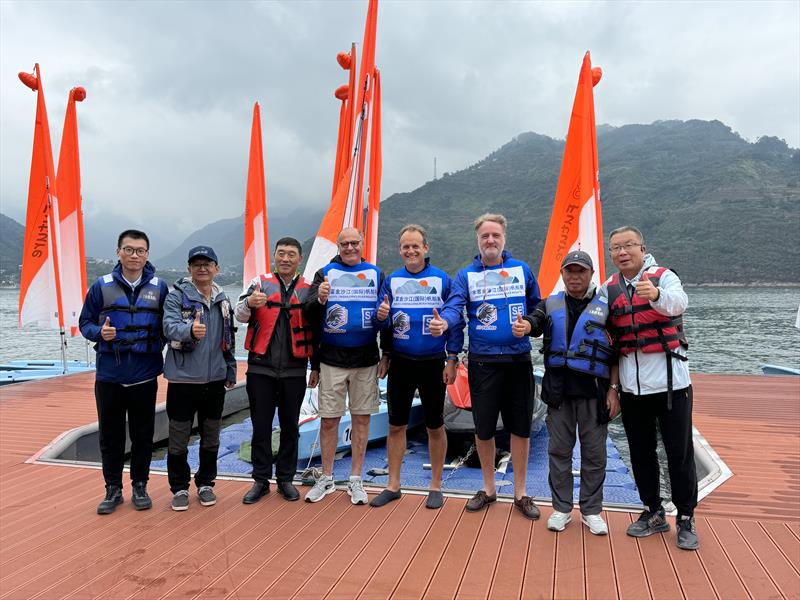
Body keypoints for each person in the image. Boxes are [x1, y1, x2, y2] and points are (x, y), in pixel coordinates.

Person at [429, 214, 542, 519]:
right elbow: (454, 309)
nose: (490, 240)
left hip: (518, 360)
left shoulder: (522, 270)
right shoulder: (466, 275)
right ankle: (489, 489)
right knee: (484, 428)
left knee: (521, 428)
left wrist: (531, 325)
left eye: (495, 235)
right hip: (483, 362)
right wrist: (444, 324)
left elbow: (538, 307)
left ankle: (520, 493)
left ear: (504, 238)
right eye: (484, 236)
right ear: (477, 240)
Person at [599, 225, 698, 551]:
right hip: (632, 388)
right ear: (611, 254)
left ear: (642, 248)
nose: (622, 252)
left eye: (628, 246)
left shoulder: (663, 277)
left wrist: (655, 296)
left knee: (678, 453)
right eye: (616, 248)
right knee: (641, 454)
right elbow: (596, 323)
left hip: (671, 384)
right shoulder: (608, 288)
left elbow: (679, 303)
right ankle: (653, 510)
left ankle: (685, 516)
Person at [513, 250, 618, 535]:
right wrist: (526, 325)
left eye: (581, 271)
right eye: (570, 271)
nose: (575, 276)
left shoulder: (607, 307)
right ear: (562, 274)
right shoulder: (549, 304)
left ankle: (592, 510)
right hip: (558, 391)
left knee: (594, 454)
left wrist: (614, 390)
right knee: (558, 451)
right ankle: (561, 509)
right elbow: (534, 321)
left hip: (594, 391)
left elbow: (617, 353)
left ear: (591, 274)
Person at [369, 225, 464, 510]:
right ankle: (393, 485)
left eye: (415, 246)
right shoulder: (392, 280)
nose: (410, 251)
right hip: (401, 362)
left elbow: (456, 321)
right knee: (396, 425)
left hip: (433, 362)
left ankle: (435, 485)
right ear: (400, 250)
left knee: (435, 425)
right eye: (405, 247)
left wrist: (452, 358)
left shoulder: (442, 280)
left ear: (426, 248)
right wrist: (382, 323)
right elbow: (382, 323)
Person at [79, 229, 169, 515]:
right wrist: (99, 333)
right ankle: (113, 488)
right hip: (110, 376)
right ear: (118, 252)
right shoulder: (100, 286)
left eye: (140, 250)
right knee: (111, 435)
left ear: (147, 254)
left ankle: (140, 485)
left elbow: (169, 325)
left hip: (144, 374)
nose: (134, 255)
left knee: (144, 435)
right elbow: (85, 323)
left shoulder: (160, 287)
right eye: (129, 249)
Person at [302, 227, 390, 505]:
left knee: (362, 418)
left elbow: (386, 317)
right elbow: (308, 315)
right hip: (331, 360)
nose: (350, 247)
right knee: (329, 420)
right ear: (338, 246)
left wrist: (386, 352)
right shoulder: (324, 273)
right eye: (345, 244)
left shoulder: (376, 274)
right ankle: (326, 477)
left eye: (355, 243)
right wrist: (320, 299)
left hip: (365, 360)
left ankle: (355, 479)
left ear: (362, 245)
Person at [236, 237, 319, 503]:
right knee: (260, 426)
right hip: (261, 368)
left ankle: (285, 479)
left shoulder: (308, 289)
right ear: (274, 256)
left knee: (289, 428)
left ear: (299, 259)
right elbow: (239, 314)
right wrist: (250, 303)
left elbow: (316, 330)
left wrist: (315, 367)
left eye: (291, 254)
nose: (285, 258)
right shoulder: (258, 284)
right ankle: (260, 480)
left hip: (295, 369)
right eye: (281, 253)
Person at [162, 246, 237, 511]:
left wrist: (230, 368)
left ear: (216, 268)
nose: (202, 268)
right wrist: (189, 330)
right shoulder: (176, 297)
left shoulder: (223, 300)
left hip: (215, 380)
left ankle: (206, 483)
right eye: (197, 264)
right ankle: (180, 487)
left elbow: (228, 339)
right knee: (178, 437)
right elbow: (168, 326)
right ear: (189, 269)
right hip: (183, 380)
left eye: (207, 264)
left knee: (212, 437)